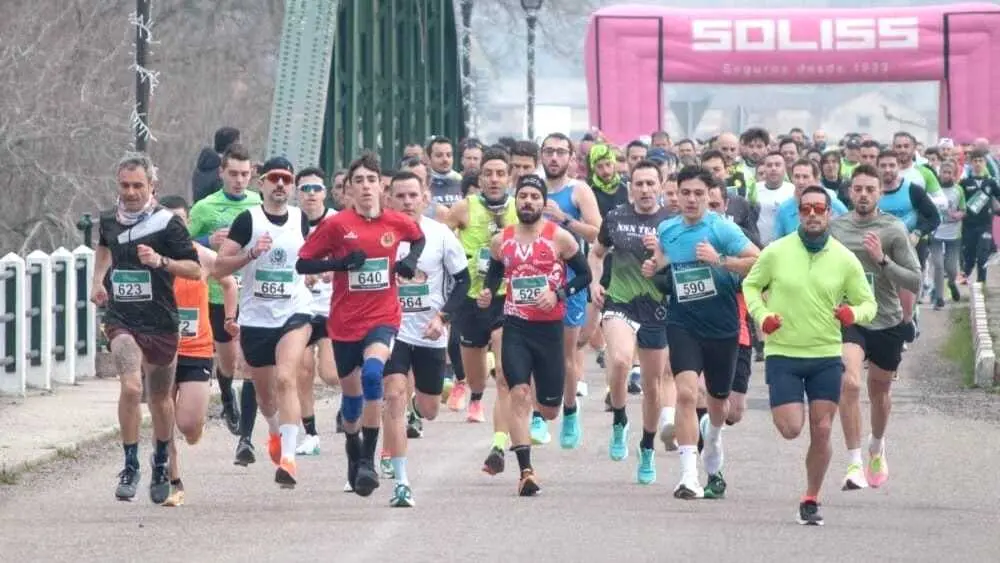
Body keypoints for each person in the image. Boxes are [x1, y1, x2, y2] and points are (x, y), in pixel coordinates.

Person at [743, 186, 877, 526]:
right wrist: (762, 316)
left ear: (830, 213)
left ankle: (811, 498)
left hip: (825, 354)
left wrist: (853, 315)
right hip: (784, 353)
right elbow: (751, 286)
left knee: (821, 428)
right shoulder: (776, 251)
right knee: (791, 428)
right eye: (806, 209)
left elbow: (869, 304)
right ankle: (798, 431)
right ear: (799, 213)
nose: (813, 214)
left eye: (820, 208)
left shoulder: (845, 258)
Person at [297, 152, 426, 497]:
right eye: (359, 181)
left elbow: (418, 238)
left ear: (381, 186)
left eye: (372, 180)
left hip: (383, 316)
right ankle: (354, 450)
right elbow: (303, 264)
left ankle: (368, 460)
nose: (366, 187)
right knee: (351, 402)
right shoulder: (337, 225)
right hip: (344, 324)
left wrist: (410, 261)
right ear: (348, 190)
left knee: (374, 376)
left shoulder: (395, 222)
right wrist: (341, 263)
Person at [90, 153, 202, 503]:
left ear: (152, 186)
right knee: (130, 386)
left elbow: (195, 270)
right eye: (125, 185)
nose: (131, 192)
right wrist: (97, 281)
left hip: (161, 322)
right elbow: (104, 248)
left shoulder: (168, 224)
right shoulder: (108, 220)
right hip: (122, 318)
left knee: (160, 400)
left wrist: (161, 261)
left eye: (138, 185)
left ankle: (159, 463)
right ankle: (130, 464)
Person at [648, 165, 760, 499]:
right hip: (683, 322)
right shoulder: (667, 229)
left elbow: (758, 261)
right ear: (676, 195)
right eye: (686, 193)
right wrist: (654, 269)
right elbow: (662, 268)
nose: (692, 199)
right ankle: (688, 476)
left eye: (699, 194)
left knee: (719, 405)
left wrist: (720, 259)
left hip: (723, 326)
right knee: (684, 393)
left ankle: (712, 441)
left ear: (709, 197)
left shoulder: (722, 229)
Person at [479, 174, 592, 496]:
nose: (528, 201)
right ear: (516, 201)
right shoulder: (503, 240)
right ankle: (525, 471)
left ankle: (557, 411)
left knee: (549, 408)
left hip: (550, 330)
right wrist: (489, 292)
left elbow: (583, 275)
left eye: (534, 196)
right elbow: (497, 269)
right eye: (523, 196)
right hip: (515, 326)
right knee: (518, 393)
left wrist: (558, 294)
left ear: (544, 203)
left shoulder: (561, 238)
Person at [214, 156, 315, 488]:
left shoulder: (302, 220)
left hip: (294, 312)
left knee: (287, 378)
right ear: (262, 184)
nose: (281, 184)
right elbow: (219, 269)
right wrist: (251, 255)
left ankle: (288, 459)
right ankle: (273, 430)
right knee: (266, 396)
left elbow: (311, 258)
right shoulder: (248, 221)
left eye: (287, 178)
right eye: (274, 178)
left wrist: (319, 272)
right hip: (257, 318)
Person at [381, 170, 470, 506]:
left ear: (425, 198)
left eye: (412, 196)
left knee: (431, 408)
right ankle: (401, 482)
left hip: (430, 331)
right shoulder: (382, 233)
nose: (406, 202)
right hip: (390, 328)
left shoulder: (441, 235)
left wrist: (443, 317)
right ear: (389, 199)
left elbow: (463, 283)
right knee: (393, 394)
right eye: (400, 196)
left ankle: (416, 411)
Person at [830, 165, 921, 491]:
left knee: (879, 390)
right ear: (849, 192)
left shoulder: (893, 229)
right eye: (858, 189)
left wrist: (882, 259)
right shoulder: (836, 229)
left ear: (880, 193)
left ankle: (876, 445)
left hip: (886, 319)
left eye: (870, 189)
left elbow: (914, 279)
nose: (864, 194)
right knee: (849, 383)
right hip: (850, 319)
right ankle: (854, 461)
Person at [589, 160, 671, 483]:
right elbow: (596, 253)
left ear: (661, 186)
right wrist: (596, 283)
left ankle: (647, 447)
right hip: (620, 300)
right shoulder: (616, 217)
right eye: (639, 184)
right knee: (621, 361)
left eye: (651, 184)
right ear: (630, 186)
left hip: (656, 307)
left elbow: (680, 264)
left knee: (652, 387)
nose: (646, 190)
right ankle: (620, 420)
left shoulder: (671, 222)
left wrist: (661, 254)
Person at [440, 148, 519, 474]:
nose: (495, 179)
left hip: (506, 298)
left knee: (505, 377)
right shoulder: (464, 208)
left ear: (509, 177)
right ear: (480, 177)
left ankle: (499, 445)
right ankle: (475, 384)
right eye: (489, 173)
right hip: (471, 301)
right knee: (477, 380)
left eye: (501, 173)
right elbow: (442, 242)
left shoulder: (520, 209)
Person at [158, 195, 240, 506]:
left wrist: (230, 319)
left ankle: (195, 429)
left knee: (188, 425)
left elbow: (229, 284)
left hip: (196, 348)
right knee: (162, 413)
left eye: (180, 220)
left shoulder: (201, 256)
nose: (174, 226)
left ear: (188, 222)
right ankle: (172, 480)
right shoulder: (149, 257)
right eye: (167, 220)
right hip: (161, 348)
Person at [532, 133, 601, 448]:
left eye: (561, 152)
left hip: (570, 280)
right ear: (541, 156)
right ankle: (537, 415)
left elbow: (599, 233)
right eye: (549, 152)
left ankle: (570, 409)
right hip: (533, 279)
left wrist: (564, 220)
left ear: (572, 158)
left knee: (567, 352)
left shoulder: (578, 190)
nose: (554, 158)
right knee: (534, 351)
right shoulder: (531, 188)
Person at [187, 143, 260, 441]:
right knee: (228, 360)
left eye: (244, 174)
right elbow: (182, 242)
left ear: (252, 174)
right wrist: (208, 238)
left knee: (251, 362)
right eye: (233, 173)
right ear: (221, 173)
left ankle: (248, 426)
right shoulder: (205, 207)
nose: (239, 180)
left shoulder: (258, 204)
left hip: (253, 294)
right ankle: (228, 395)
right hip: (217, 294)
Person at [295, 168, 340, 456]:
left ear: (325, 193)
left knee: (331, 374)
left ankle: (354, 401)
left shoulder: (337, 222)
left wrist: (332, 270)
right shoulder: (287, 222)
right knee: (302, 370)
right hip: (298, 308)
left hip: (330, 307)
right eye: (305, 188)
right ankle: (310, 433)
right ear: (296, 193)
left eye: (316, 188)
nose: (311, 193)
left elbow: (352, 258)